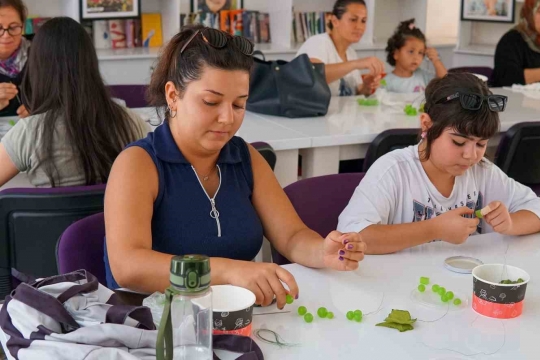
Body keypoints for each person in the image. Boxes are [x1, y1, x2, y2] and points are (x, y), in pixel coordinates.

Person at [104, 26, 367, 309]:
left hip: (232, 320)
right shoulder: (139, 164)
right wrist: (228, 271)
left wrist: (322, 251)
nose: (227, 118)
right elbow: (128, 266)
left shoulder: (244, 157)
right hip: (156, 327)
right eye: (211, 102)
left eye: (239, 105)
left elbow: (291, 236)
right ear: (172, 96)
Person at [337, 73, 540, 254]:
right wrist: (433, 230)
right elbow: (352, 236)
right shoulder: (394, 172)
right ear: (427, 125)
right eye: (458, 142)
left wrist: (511, 223)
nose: (470, 155)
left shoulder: (481, 172)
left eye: (481, 144)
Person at [0, 17, 148, 188]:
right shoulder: (131, 122)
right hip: (112, 215)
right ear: (90, 62)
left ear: (37, 69)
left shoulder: (28, 133)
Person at [296, 0, 384, 96]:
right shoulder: (318, 43)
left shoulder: (351, 53)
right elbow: (312, 76)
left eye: (363, 21)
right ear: (335, 21)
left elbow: (355, 96)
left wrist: (366, 86)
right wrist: (356, 64)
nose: (360, 27)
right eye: (353, 19)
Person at [383, 19, 447, 94]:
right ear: (396, 54)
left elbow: (444, 81)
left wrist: (436, 60)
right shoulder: (386, 82)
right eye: (411, 51)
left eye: (420, 53)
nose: (416, 57)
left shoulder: (423, 76)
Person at [0, 0, 30, 117]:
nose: (6, 35)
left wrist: (42, 110)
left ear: (22, 27)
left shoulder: (41, 55)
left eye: (13, 27)